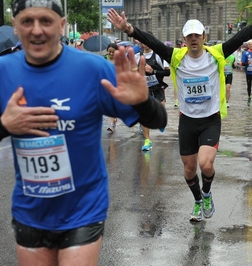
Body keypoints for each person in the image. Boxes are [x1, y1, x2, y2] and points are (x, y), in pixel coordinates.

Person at [1, 0, 167, 264]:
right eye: (26, 21)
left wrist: (142, 101)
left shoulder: (93, 69)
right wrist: (4, 125)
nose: (36, 30)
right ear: (15, 26)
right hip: (31, 209)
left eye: (46, 21)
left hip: (83, 208)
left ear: (62, 25)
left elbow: (159, 121)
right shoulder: (4, 71)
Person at [107, 0, 252, 222]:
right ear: (184, 40)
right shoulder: (176, 57)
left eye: (197, 35)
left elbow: (241, 37)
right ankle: (198, 200)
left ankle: (207, 194)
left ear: (204, 38)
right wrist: (128, 29)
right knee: (189, 170)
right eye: (189, 36)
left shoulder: (216, 53)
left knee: (205, 164)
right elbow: (152, 41)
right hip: (187, 121)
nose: (194, 39)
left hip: (210, 119)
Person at [135, 37, 170, 151]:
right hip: (144, 90)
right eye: (144, 41)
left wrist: (153, 71)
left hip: (158, 88)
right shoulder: (137, 56)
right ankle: (147, 141)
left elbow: (168, 72)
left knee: (161, 110)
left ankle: (161, 122)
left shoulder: (159, 56)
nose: (146, 44)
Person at [105, 42, 119, 132]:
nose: (111, 54)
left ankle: (112, 123)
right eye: (109, 52)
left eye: (113, 52)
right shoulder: (104, 59)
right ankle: (113, 119)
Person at [173, 39, 183, 108]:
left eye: (179, 44)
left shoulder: (183, 50)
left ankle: (181, 99)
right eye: (177, 44)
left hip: (183, 70)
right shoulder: (173, 51)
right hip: (175, 70)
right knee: (175, 85)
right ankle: (176, 100)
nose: (178, 46)